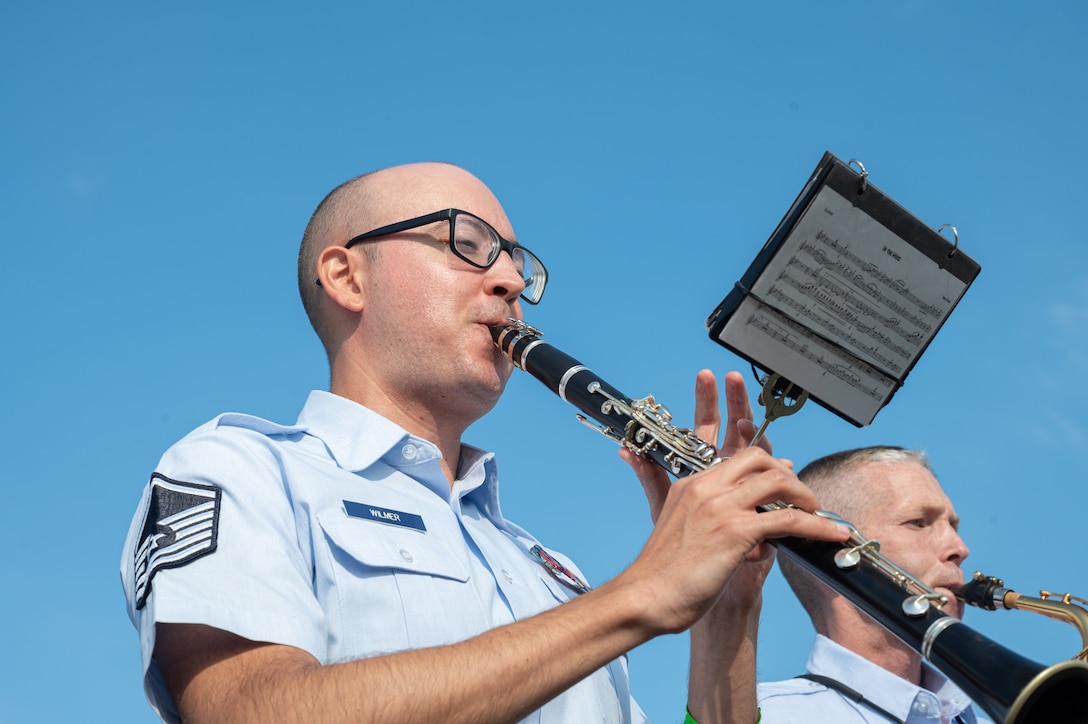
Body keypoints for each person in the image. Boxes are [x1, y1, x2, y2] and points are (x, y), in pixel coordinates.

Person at [120, 161, 850, 724]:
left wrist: (725, 611)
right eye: (467, 244)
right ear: (347, 276)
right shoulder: (244, 470)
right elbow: (251, 712)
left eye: (515, 262)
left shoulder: (547, 571)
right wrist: (641, 595)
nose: (509, 281)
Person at [757, 446, 989, 723]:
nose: (960, 549)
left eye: (953, 526)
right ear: (837, 555)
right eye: (918, 522)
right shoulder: (764, 715)